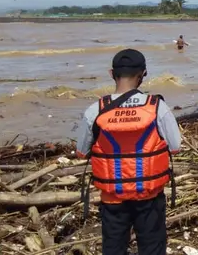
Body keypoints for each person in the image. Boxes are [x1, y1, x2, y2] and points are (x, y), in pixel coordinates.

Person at [73, 49, 181, 255]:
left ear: (111, 73)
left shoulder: (95, 110)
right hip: (149, 197)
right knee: (152, 248)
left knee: (113, 248)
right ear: (143, 75)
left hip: (113, 199)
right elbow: (175, 147)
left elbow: (81, 151)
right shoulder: (157, 107)